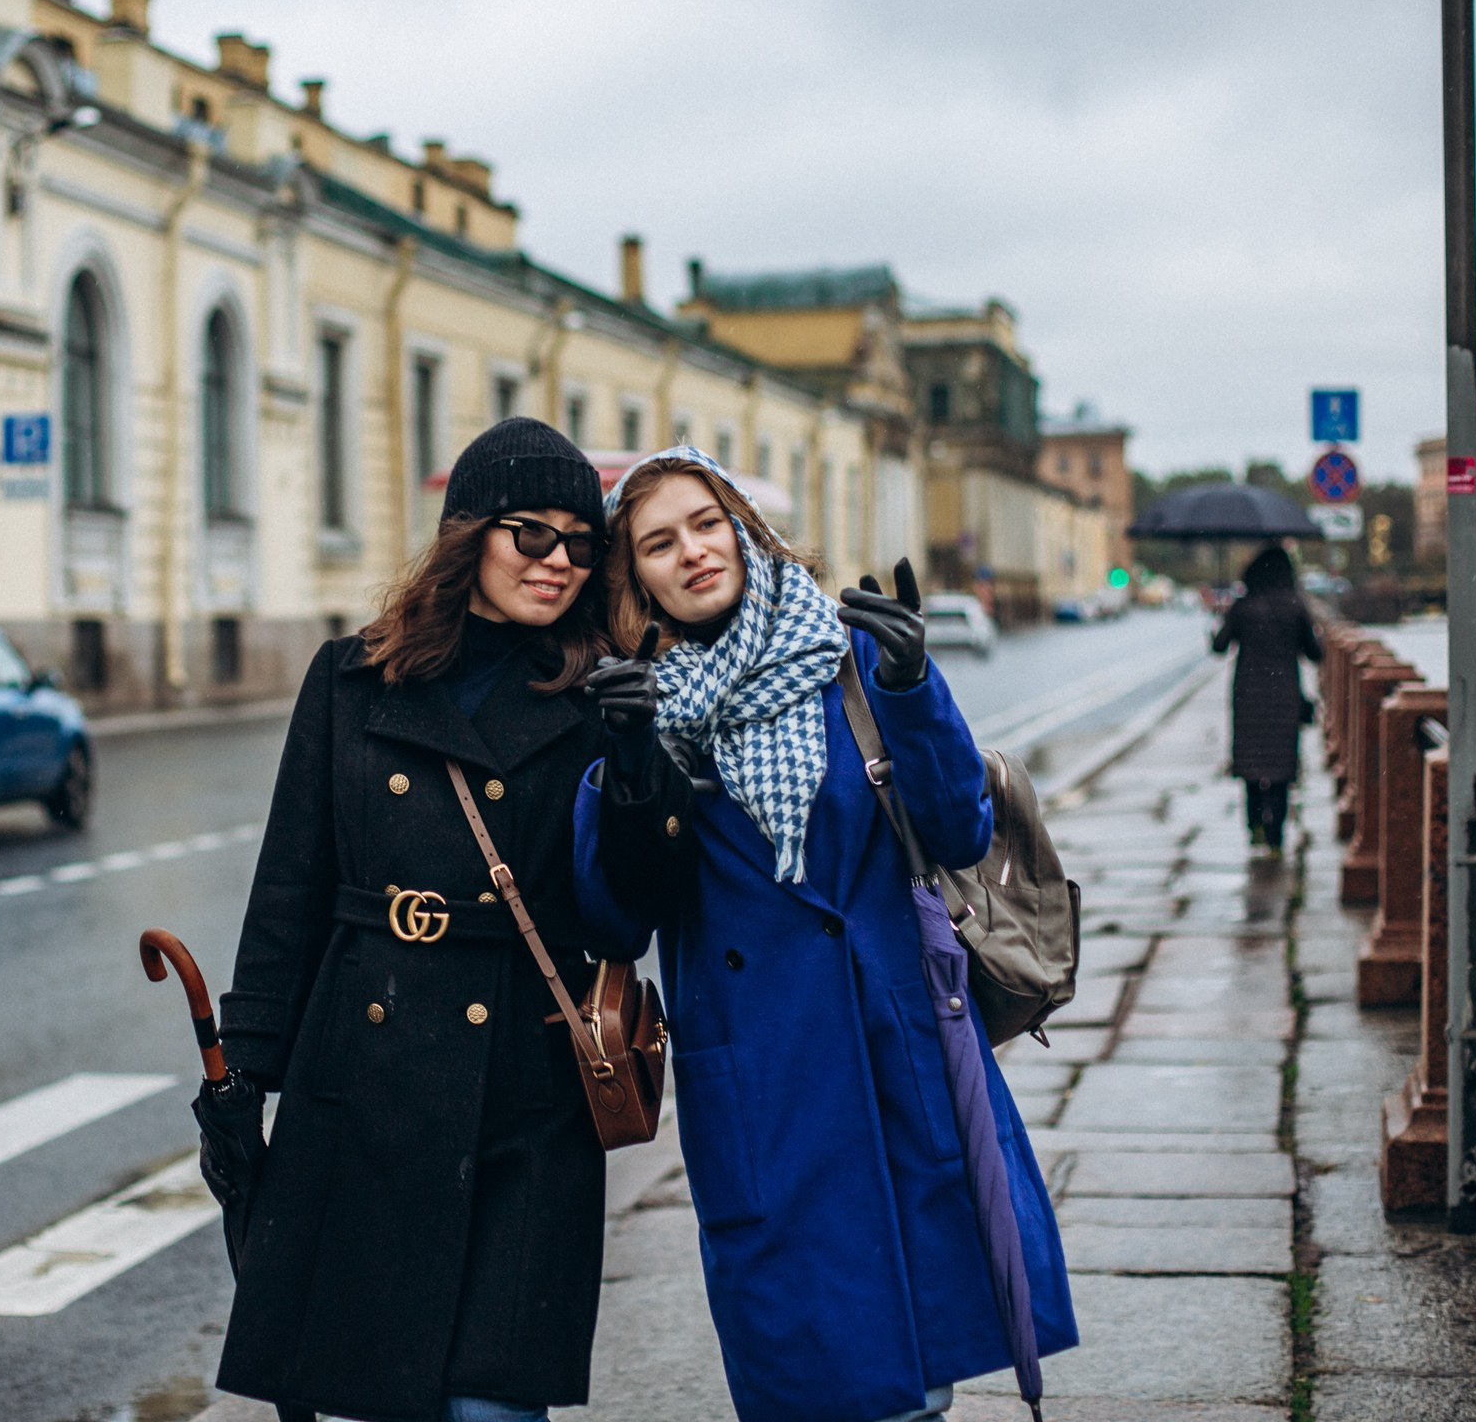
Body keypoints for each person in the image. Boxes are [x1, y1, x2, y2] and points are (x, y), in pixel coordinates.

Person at [572, 446, 1076, 1422]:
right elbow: (614, 917)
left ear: (745, 528)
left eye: (706, 523)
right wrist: (632, 771)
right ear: (635, 577)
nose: (692, 552)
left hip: (898, 1046)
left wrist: (912, 682)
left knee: (923, 1363)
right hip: (766, 1074)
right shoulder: (637, 704)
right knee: (821, 1374)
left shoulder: (846, 662)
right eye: (658, 543)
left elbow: (959, 827)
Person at [215, 417, 630, 1422]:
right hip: (361, 1078)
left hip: (527, 1094)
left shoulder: (600, 700)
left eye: (583, 541)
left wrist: (647, 765)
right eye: (535, 533)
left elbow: (630, 911)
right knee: (374, 1394)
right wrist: (241, 1074)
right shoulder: (352, 679)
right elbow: (291, 890)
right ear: (469, 533)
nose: (561, 561)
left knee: (493, 1404)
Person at [1211, 543, 1323, 855]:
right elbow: (1315, 653)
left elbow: (1219, 647)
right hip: (1284, 695)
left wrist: (1218, 622)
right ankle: (1276, 835)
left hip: (1247, 695)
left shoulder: (1243, 606)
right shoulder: (1295, 605)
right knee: (1280, 766)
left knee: (1251, 764)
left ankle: (1255, 826)